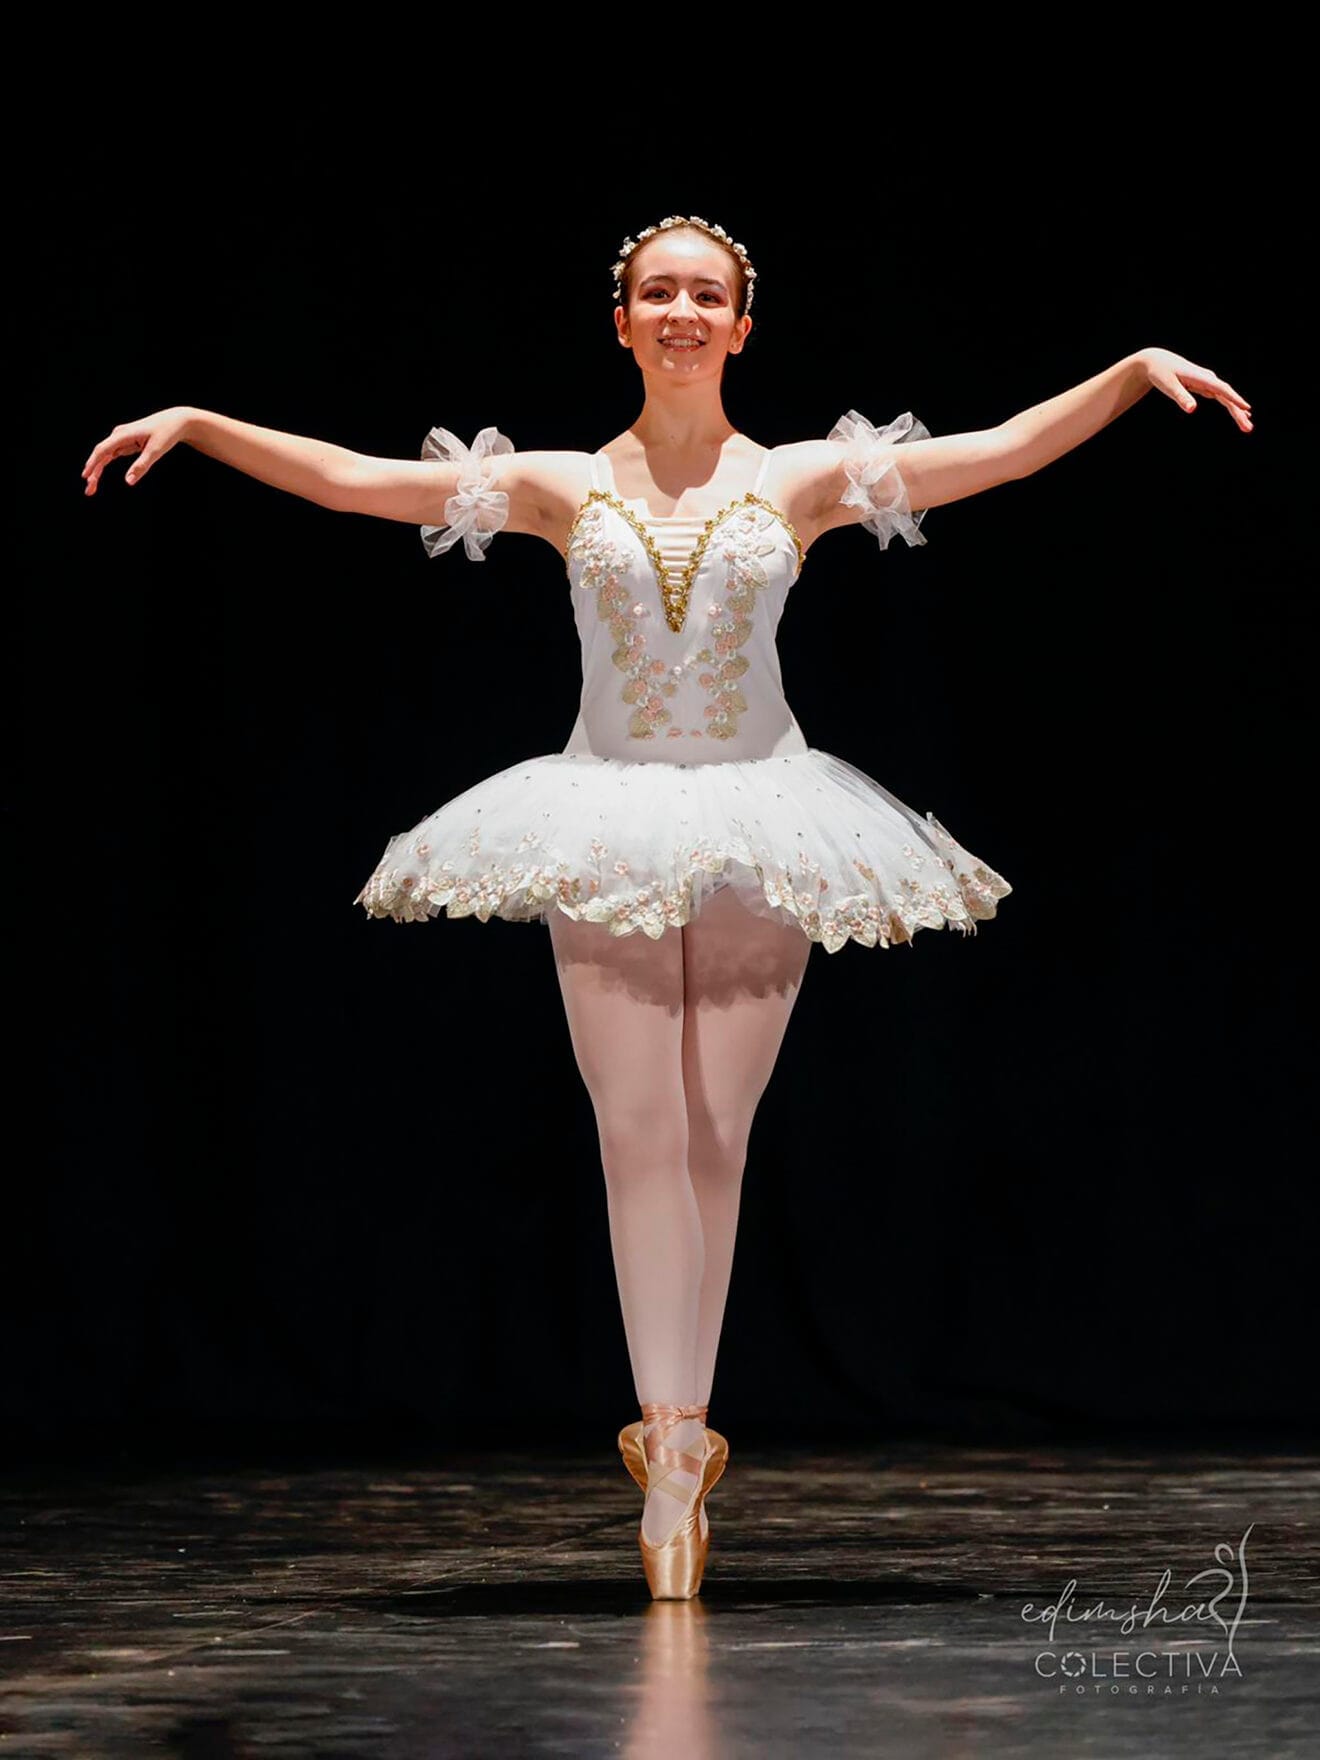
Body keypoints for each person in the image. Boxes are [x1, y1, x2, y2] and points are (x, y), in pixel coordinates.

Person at [81, 214, 1253, 1601]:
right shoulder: (561, 485)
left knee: (715, 1133)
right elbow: (354, 480)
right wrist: (203, 423)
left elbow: (995, 451)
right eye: (658, 292)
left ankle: (684, 1436)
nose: (683, 311)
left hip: (764, 813)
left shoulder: (802, 476)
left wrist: (1129, 372)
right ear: (623, 321)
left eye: (707, 293)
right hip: (609, 811)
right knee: (636, 1128)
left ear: (742, 325)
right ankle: (673, 1454)